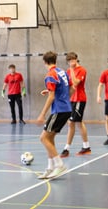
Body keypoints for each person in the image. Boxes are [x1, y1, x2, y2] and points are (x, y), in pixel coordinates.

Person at [37, 51, 73, 179]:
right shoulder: (62, 72)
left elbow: (52, 97)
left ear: (45, 62)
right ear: (55, 61)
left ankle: (60, 165)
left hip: (59, 110)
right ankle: (50, 168)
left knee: (43, 138)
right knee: (50, 139)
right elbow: (70, 88)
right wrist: (58, 95)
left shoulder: (50, 75)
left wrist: (42, 114)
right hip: (67, 108)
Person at [60, 52, 91, 157]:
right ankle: (84, 146)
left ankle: (68, 148)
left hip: (79, 99)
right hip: (71, 99)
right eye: (69, 61)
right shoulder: (68, 71)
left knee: (75, 122)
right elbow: (66, 85)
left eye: (73, 60)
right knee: (73, 123)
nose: (71, 62)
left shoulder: (82, 70)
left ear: (77, 59)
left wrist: (72, 70)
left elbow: (75, 82)